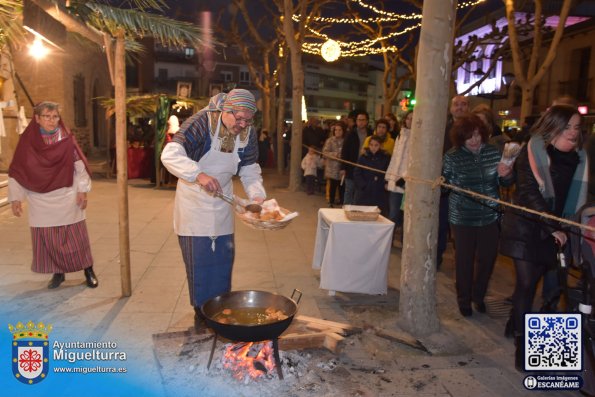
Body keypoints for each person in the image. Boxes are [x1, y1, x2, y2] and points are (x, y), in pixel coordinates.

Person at [160, 89, 266, 332]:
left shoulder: (247, 131)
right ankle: (200, 314)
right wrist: (198, 174)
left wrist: (257, 194)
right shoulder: (201, 122)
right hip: (194, 202)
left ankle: (220, 311)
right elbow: (170, 154)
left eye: (248, 120)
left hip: (222, 202)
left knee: (222, 259)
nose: (242, 125)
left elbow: (249, 167)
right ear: (224, 111)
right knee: (199, 262)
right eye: (238, 118)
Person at [499, 105, 588, 371]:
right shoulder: (532, 151)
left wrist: (570, 226)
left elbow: (581, 197)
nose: (573, 132)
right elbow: (527, 193)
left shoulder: (581, 158)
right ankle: (521, 342)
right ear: (552, 127)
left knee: (554, 289)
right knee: (527, 285)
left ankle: (542, 345)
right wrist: (553, 227)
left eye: (576, 127)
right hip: (528, 229)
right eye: (567, 126)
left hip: (560, 230)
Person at [8, 101, 97, 289]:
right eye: (47, 116)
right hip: (39, 197)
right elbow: (18, 170)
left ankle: (88, 269)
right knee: (50, 239)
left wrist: (82, 190)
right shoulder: (27, 140)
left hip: (66, 194)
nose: (51, 120)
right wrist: (16, 198)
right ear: (38, 119)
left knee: (76, 237)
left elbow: (79, 165)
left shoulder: (66, 138)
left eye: (55, 116)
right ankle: (58, 273)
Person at [442, 114, 513, 317]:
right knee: (464, 259)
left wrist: (506, 174)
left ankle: (478, 296)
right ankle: (463, 299)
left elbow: (506, 183)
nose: (474, 140)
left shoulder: (493, 152)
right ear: (460, 138)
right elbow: (444, 187)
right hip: (462, 216)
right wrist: (441, 182)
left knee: (488, 258)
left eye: (477, 135)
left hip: (490, 214)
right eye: (468, 136)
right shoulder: (452, 156)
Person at [438, 95, 470, 269]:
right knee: (441, 224)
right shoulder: (443, 127)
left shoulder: (474, 128)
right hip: (445, 184)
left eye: (463, 104)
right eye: (456, 104)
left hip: (465, 185)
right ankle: (437, 257)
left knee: (462, 228)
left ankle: (463, 263)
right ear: (451, 108)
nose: (459, 107)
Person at [386, 110, 413, 241]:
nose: (410, 121)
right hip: (395, 181)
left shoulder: (420, 137)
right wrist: (389, 178)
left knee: (407, 217)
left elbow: (416, 162)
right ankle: (388, 242)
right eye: (408, 118)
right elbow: (395, 158)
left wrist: (404, 178)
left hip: (408, 183)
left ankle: (405, 244)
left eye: (414, 119)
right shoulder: (400, 136)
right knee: (393, 214)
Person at [340, 110, 373, 205]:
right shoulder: (351, 134)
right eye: (359, 120)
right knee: (349, 190)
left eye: (363, 120)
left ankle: (355, 211)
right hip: (351, 166)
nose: (361, 122)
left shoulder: (371, 134)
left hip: (365, 167)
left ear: (367, 121)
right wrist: (343, 167)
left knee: (359, 192)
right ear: (356, 121)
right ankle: (345, 210)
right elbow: (344, 151)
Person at [353, 135, 391, 215]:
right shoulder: (363, 157)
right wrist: (363, 185)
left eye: (376, 145)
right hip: (365, 191)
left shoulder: (385, 158)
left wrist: (385, 183)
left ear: (380, 146)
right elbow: (357, 173)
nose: (373, 147)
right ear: (369, 145)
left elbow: (388, 172)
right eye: (371, 145)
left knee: (379, 214)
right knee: (363, 213)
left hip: (379, 190)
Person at [322, 121, 346, 207]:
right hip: (332, 168)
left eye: (340, 130)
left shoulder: (345, 141)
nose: (337, 132)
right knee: (332, 186)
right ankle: (331, 202)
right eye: (336, 130)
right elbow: (325, 152)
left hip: (342, 168)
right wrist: (335, 155)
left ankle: (342, 201)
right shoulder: (330, 140)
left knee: (342, 186)